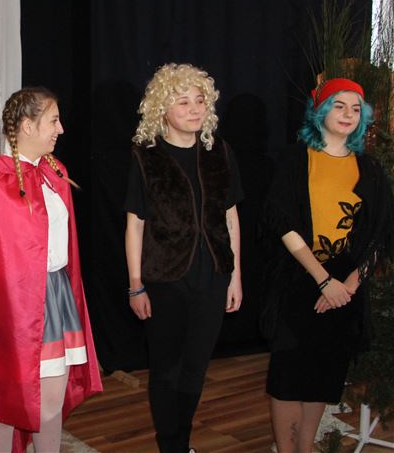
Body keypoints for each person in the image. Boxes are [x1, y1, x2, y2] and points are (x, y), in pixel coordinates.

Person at [0, 87, 102, 452]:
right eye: (53, 121)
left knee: (50, 403)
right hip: (8, 306)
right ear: (27, 126)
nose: (61, 129)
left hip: (54, 297)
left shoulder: (54, 173)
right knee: (1, 403)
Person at [261, 78, 394, 453]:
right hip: (299, 277)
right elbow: (281, 222)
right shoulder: (296, 159)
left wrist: (348, 286)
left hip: (345, 284)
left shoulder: (370, 169)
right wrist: (323, 281)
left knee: (323, 373)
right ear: (320, 110)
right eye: (339, 105)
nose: (348, 114)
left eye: (356, 108)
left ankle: (306, 447)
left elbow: (380, 235)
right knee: (288, 376)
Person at [124, 63, 243, 453]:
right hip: (165, 278)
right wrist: (135, 284)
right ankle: (170, 446)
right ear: (162, 108)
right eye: (183, 101)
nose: (194, 109)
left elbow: (230, 217)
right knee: (166, 370)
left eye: (199, 100)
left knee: (195, 368)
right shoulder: (146, 156)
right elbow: (135, 225)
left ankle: (182, 443)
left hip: (214, 274)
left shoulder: (219, 152)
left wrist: (235, 276)